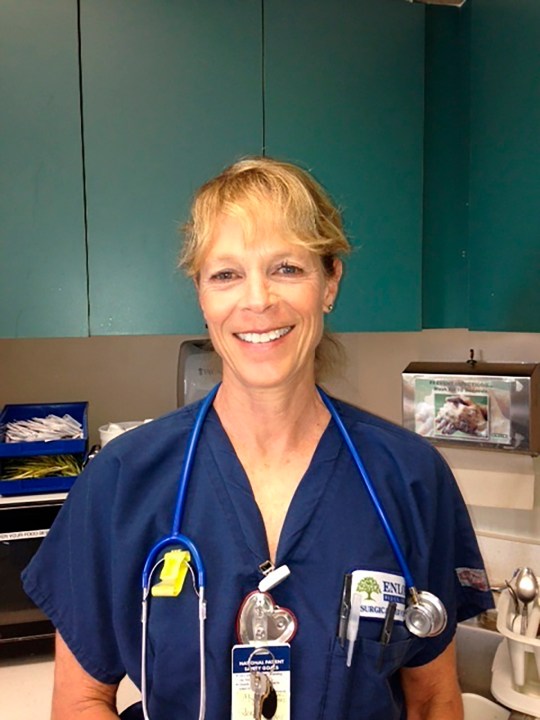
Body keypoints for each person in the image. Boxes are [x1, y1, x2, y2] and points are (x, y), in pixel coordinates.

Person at [22, 157, 493, 720]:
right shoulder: (122, 481)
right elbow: (80, 702)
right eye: (226, 274)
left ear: (330, 283)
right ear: (201, 294)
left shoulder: (409, 477)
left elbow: (435, 699)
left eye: (287, 268)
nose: (258, 300)